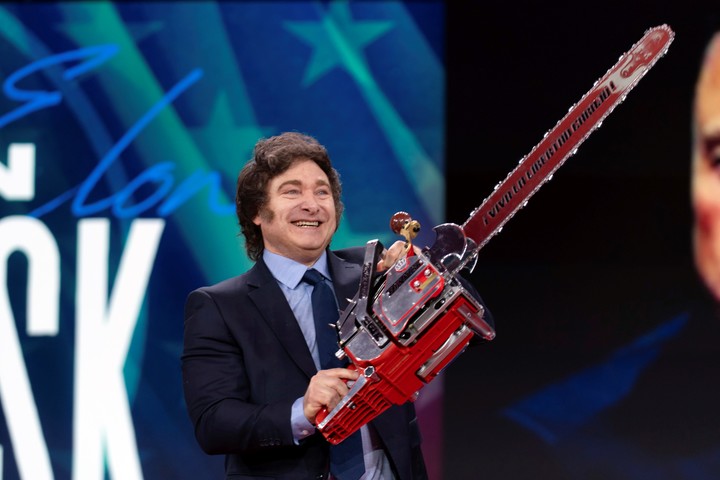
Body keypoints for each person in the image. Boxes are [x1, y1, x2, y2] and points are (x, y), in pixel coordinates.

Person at [181, 132, 490, 479]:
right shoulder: (219, 307)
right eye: (292, 191)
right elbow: (214, 423)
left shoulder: (375, 273)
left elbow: (476, 328)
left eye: (322, 192)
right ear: (257, 212)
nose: (312, 204)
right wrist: (301, 411)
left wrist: (431, 280)